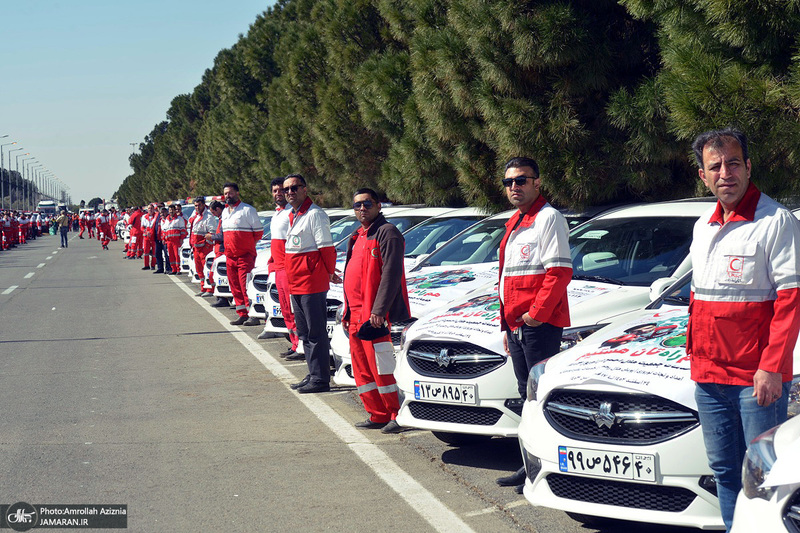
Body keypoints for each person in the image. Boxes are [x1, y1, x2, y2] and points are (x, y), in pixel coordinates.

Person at [687, 128, 800, 531]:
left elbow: (791, 301)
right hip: (709, 377)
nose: (725, 173)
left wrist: (772, 367)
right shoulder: (704, 226)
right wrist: (695, 362)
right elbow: (700, 302)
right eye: (714, 166)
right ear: (703, 176)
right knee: (724, 472)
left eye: (733, 163)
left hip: (756, 380)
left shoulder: (776, 221)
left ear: (749, 167)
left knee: (764, 481)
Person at [495, 156, 572, 493]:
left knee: (537, 396)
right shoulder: (516, 221)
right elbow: (506, 279)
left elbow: (559, 273)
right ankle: (528, 463)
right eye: (509, 181)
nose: (515, 186)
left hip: (537, 325)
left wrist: (535, 316)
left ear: (537, 183)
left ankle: (540, 465)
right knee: (525, 394)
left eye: (522, 180)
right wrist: (505, 325)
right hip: (516, 326)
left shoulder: (548, 218)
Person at [341, 188, 410, 434]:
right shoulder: (357, 235)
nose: (362, 208)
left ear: (378, 206)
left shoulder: (387, 233)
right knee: (363, 370)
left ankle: (396, 415)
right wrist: (347, 312)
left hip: (375, 318)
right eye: (357, 205)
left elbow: (391, 275)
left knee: (382, 370)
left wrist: (379, 311)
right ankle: (377, 413)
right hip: (355, 316)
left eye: (367, 204)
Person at [283, 174, 338, 394]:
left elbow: (326, 248)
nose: (290, 192)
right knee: (305, 334)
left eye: (294, 188)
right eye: (287, 189)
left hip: (311, 284)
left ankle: (321, 379)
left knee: (316, 334)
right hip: (296, 284)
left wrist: (329, 273)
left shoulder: (315, 214)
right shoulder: (294, 215)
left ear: (305, 189)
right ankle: (313, 373)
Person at [257, 178, 300, 357]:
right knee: (285, 310)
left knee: (293, 310)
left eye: (281, 190)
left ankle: (301, 346)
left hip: (289, 270)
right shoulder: (277, 214)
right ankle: (295, 344)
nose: (278, 193)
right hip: (278, 269)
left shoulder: (293, 213)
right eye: (275, 191)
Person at [220, 183, 263, 326]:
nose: (228, 196)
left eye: (230, 193)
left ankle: (253, 315)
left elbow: (258, 233)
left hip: (245, 256)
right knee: (235, 286)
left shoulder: (247, 210)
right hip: (230, 256)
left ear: (237, 193)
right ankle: (242, 314)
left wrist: (247, 245)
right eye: (226, 193)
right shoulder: (225, 212)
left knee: (246, 286)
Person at [188, 197, 218, 297]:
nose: (197, 207)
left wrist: (206, 244)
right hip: (196, 247)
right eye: (195, 205)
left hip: (205, 248)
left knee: (207, 269)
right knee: (199, 269)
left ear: (203, 204)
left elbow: (212, 232)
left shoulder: (209, 216)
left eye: (199, 205)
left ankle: (210, 289)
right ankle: (203, 287)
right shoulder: (195, 214)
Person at [205, 200, 229, 308]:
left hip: (222, 251)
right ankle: (221, 297)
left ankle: (222, 298)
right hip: (218, 251)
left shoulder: (224, 218)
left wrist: (212, 237)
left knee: (214, 275)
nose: (213, 215)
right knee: (215, 275)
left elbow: (223, 236)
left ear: (218, 209)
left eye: (213, 212)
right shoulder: (221, 218)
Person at [164, 205, 187, 274]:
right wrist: (164, 239)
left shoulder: (179, 219)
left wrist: (181, 239)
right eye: (170, 210)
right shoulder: (167, 220)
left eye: (172, 210)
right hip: (169, 241)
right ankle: (173, 269)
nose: (171, 211)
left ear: (175, 210)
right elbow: (165, 230)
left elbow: (183, 230)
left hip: (176, 240)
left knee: (177, 255)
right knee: (171, 255)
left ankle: (178, 269)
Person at [140, 204, 158, 270]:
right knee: (146, 251)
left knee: (154, 252)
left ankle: (153, 265)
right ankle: (146, 265)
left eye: (151, 208)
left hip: (153, 237)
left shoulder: (156, 216)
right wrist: (146, 231)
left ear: (153, 209)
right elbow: (141, 227)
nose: (150, 209)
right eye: (149, 208)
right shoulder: (144, 217)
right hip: (146, 237)